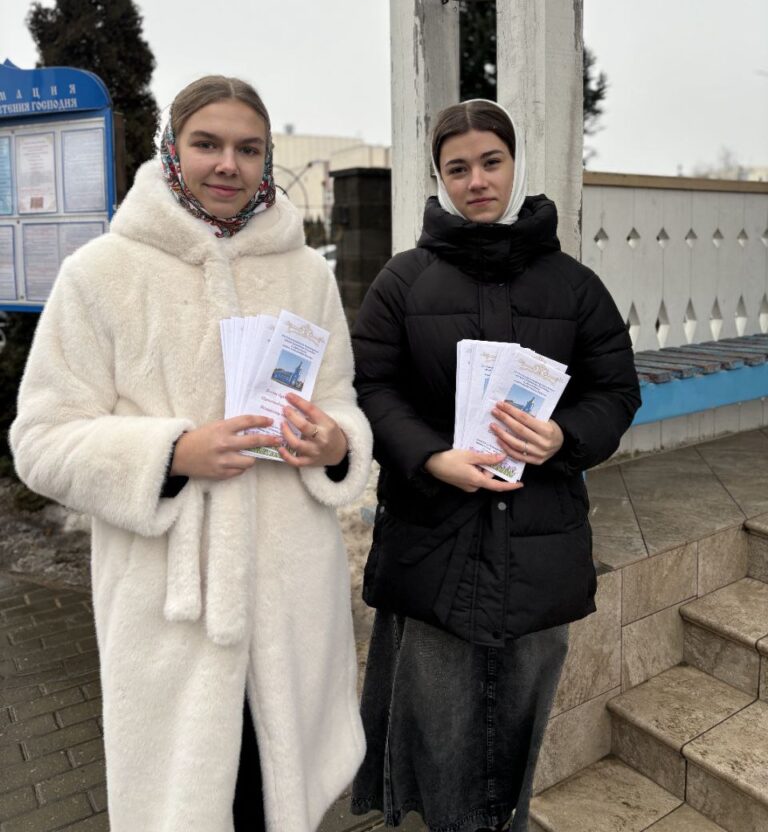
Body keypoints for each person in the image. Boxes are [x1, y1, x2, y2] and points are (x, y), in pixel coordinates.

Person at [10, 76, 373, 832]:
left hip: (290, 592)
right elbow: (40, 440)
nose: (228, 165)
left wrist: (335, 442)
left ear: (267, 159)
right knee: (187, 798)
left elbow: (340, 400)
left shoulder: (307, 273)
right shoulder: (101, 273)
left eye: (249, 148)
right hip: (169, 605)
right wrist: (172, 453)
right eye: (207, 143)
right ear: (171, 149)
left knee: (276, 793)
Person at [350, 100, 640, 832]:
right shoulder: (403, 282)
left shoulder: (574, 286)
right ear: (439, 178)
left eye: (491, 162)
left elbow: (615, 391)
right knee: (438, 727)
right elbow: (370, 387)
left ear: (515, 164)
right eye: (458, 168)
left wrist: (563, 437)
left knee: (519, 727)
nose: (476, 181)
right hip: (434, 537)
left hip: (539, 541)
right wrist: (430, 456)